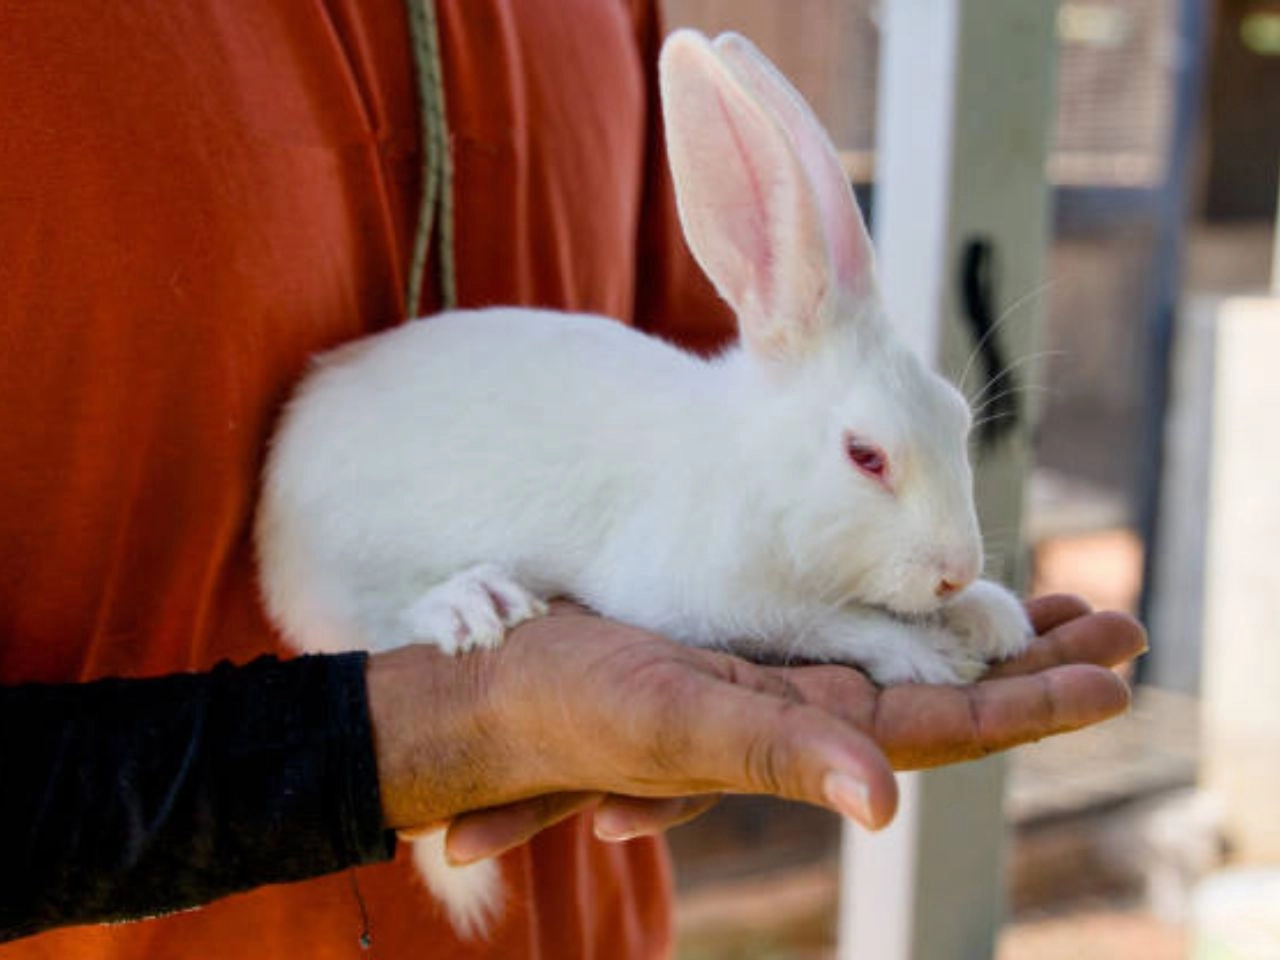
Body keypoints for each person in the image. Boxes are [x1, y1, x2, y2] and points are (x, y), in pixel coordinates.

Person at [0, 0, 1146, 957]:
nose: (952, 552)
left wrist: (925, 607)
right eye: (871, 465)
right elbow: (686, 599)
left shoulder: (599, 25)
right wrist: (869, 639)